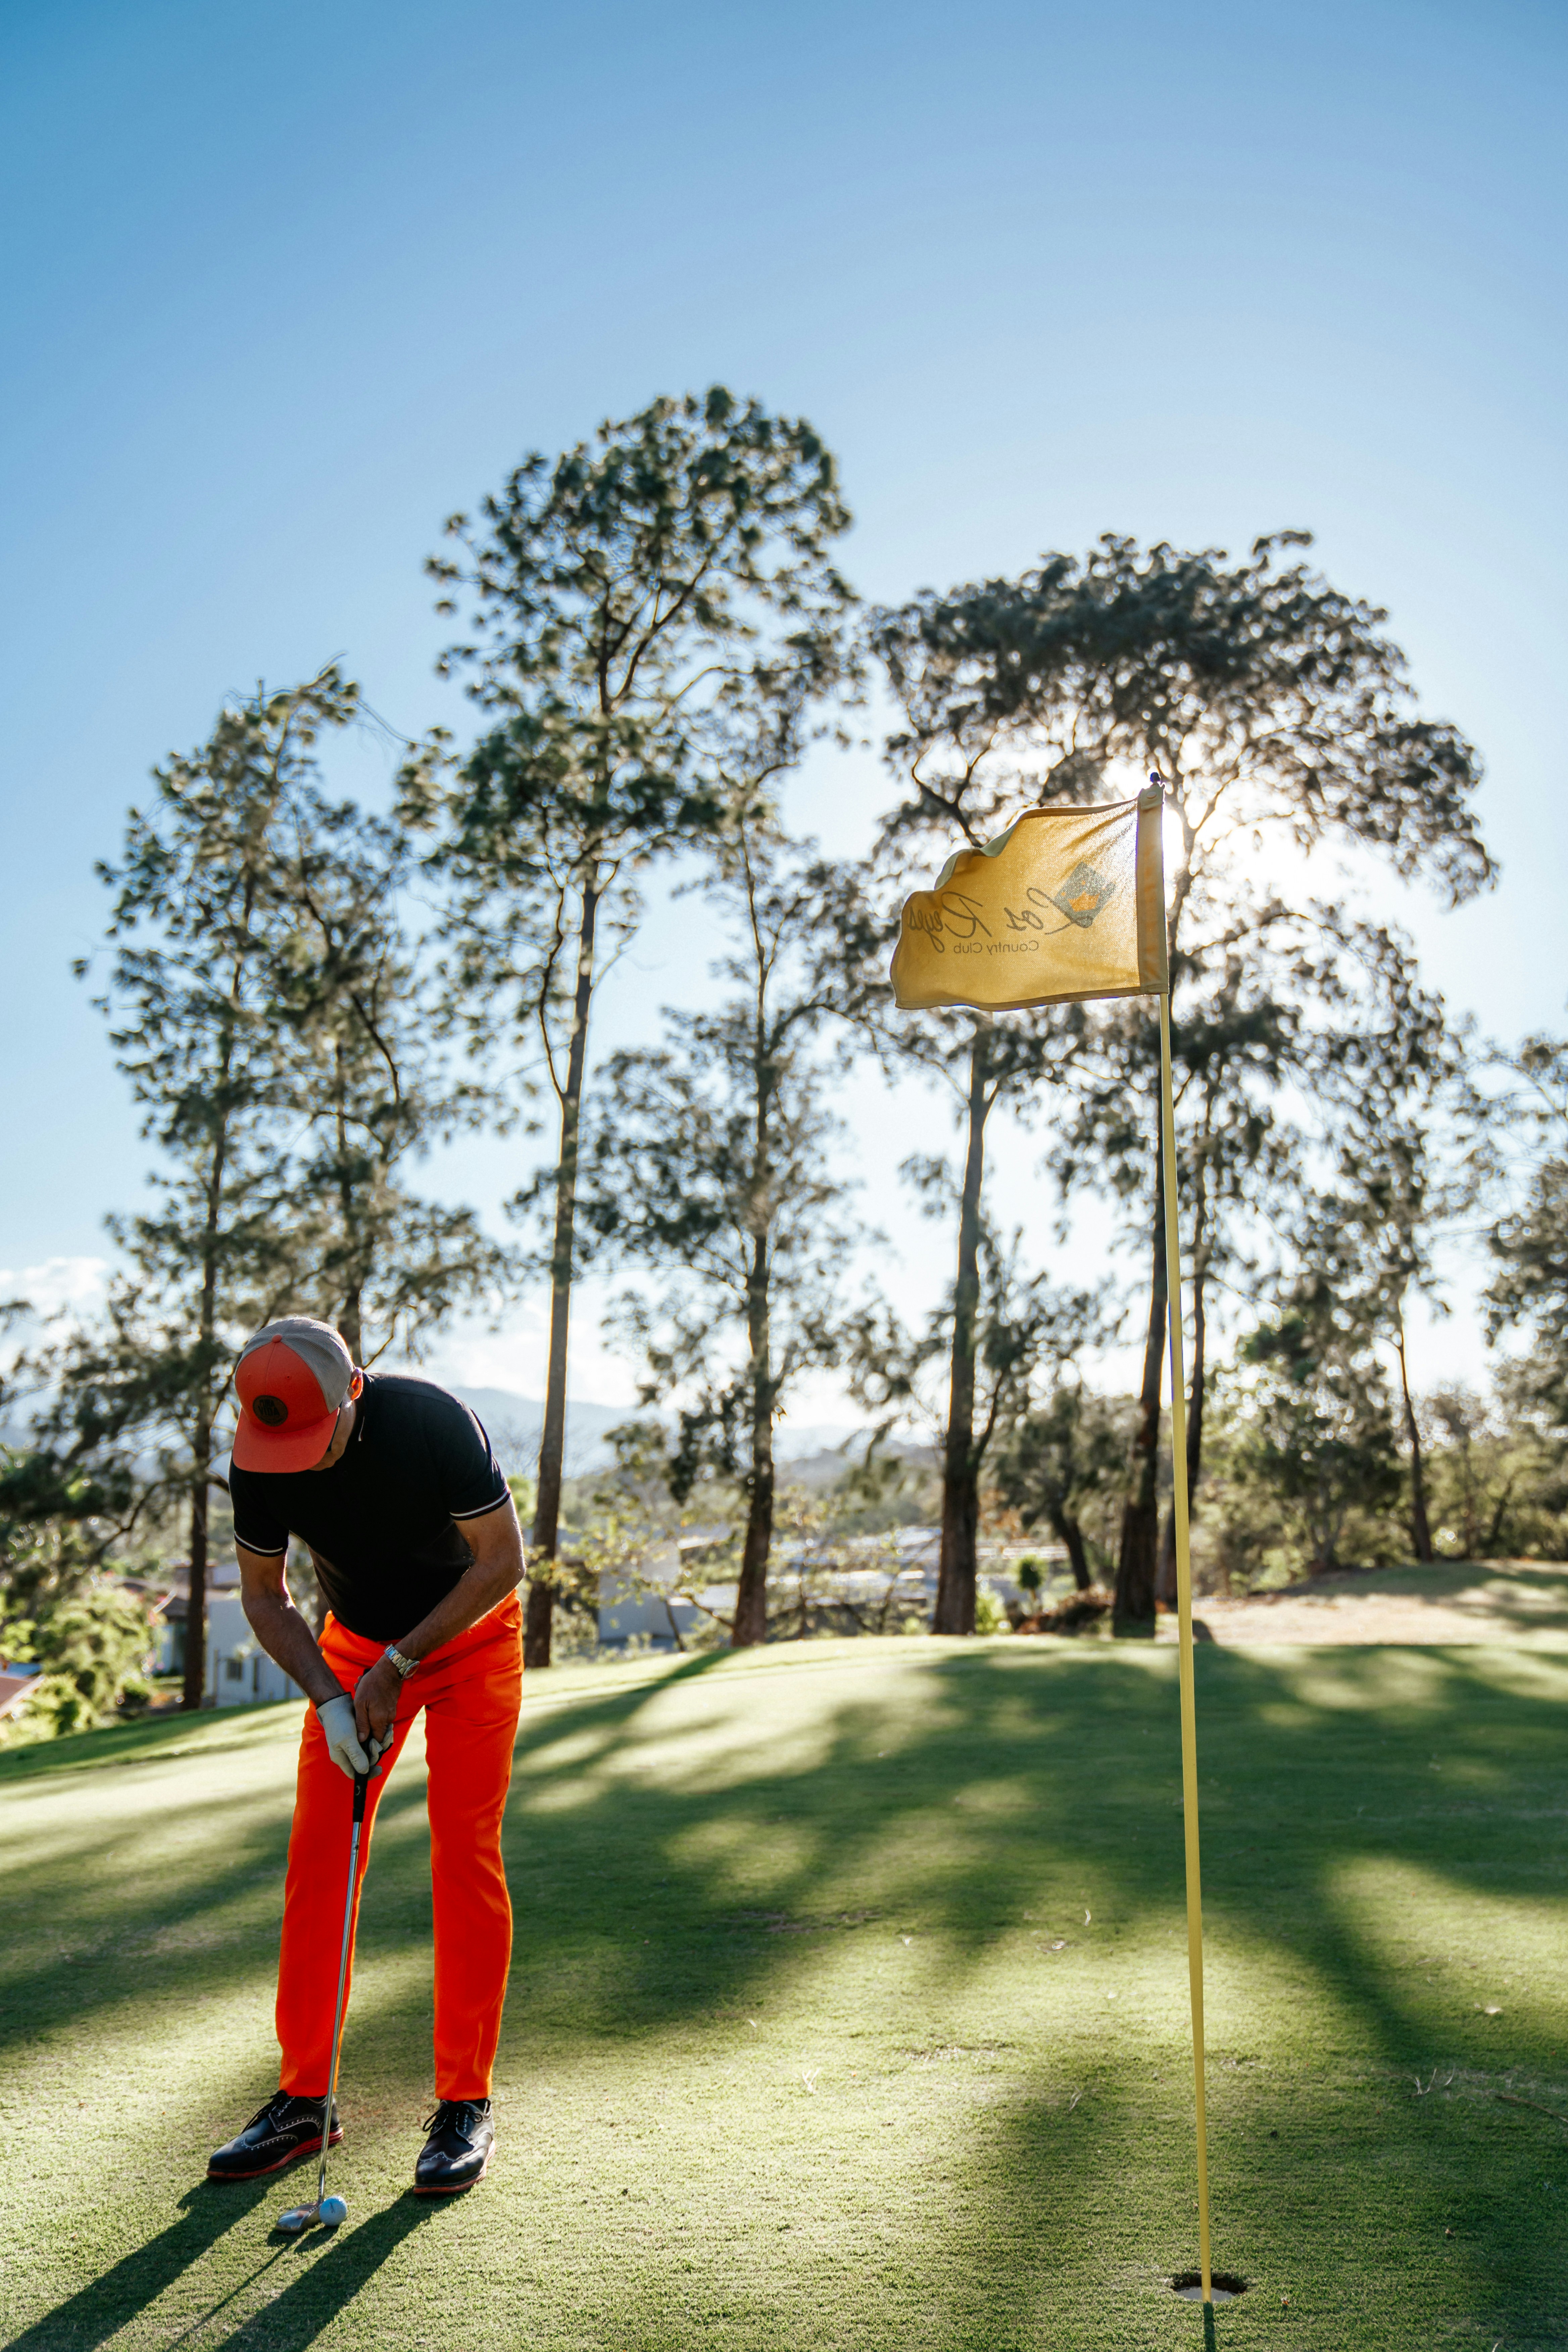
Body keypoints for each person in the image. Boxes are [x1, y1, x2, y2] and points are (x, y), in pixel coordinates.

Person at [204, 1316, 526, 2195]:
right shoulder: (260, 1457)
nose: (296, 1461)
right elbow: (267, 1601)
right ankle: (305, 2099)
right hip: (352, 1652)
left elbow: (502, 1563)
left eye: (314, 1438)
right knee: (320, 1859)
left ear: (354, 1391)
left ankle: (465, 2101)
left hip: (468, 1643)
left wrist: (402, 1662)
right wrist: (332, 1697)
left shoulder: (432, 1424)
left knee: (464, 1853)